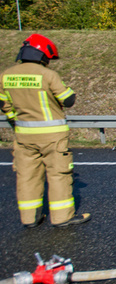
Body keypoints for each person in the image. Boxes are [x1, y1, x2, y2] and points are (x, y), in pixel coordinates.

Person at [0, 34, 91, 227]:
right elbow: (68, 99)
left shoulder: (6, 75)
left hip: (23, 136)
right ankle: (62, 217)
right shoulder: (47, 75)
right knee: (58, 174)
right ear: (42, 55)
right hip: (52, 136)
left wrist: (17, 121)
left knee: (27, 176)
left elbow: (4, 104)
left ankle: (30, 218)